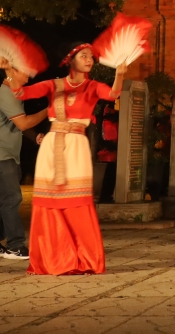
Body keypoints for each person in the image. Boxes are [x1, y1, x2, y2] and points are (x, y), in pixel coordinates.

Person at [15, 44, 128, 274]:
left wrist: (120, 75)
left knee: (77, 201)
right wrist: (10, 73)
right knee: (50, 202)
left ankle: (84, 259)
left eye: (91, 57)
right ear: (71, 61)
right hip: (52, 144)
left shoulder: (93, 86)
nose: (89, 59)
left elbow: (113, 94)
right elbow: (23, 93)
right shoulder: (53, 85)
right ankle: (52, 258)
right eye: (83, 56)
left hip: (76, 145)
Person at [0, 60, 48, 260]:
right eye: (25, 70)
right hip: (3, 156)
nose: (29, 73)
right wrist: (50, 110)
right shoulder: (5, 92)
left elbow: (17, 122)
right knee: (12, 199)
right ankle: (15, 246)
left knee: (4, 200)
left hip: (9, 154)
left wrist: (34, 136)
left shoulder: (13, 93)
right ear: (11, 70)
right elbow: (22, 122)